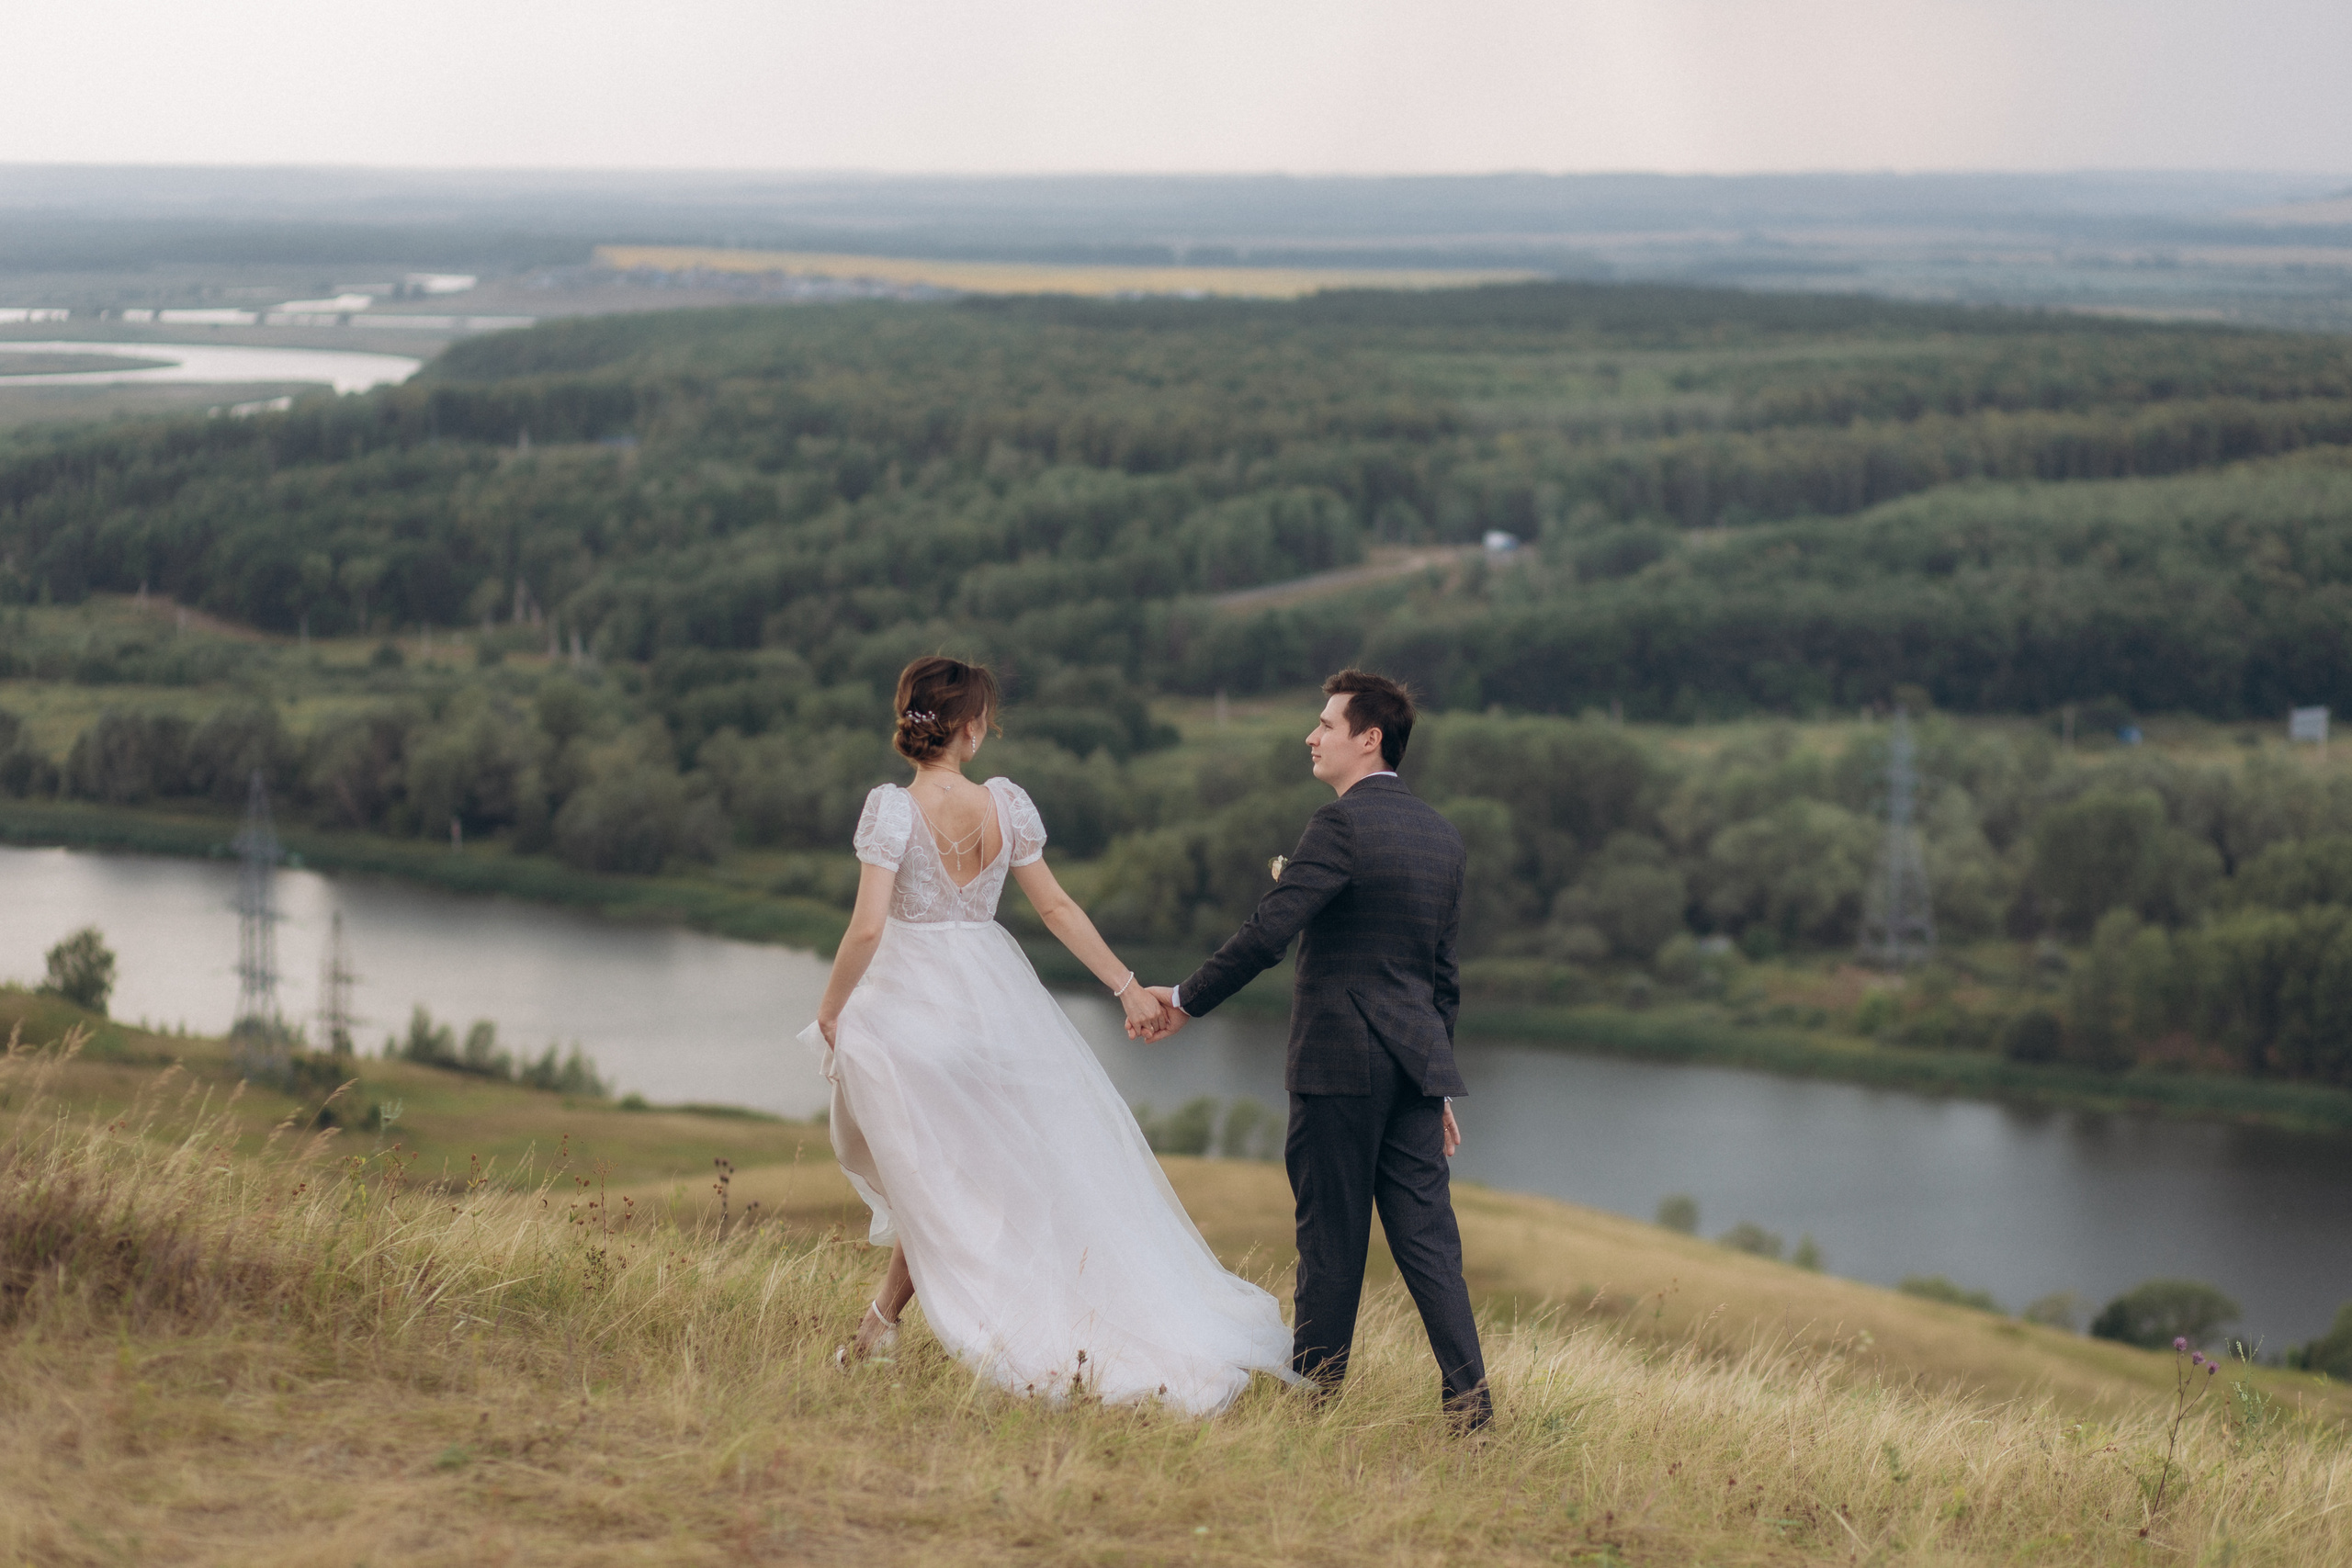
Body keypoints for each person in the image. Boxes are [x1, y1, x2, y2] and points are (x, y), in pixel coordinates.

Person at [805, 655, 1295, 1415]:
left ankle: (912, 1324)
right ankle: (880, 1323)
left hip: (911, 1008)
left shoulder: (890, 809)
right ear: (968, 729)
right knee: (956, 1174)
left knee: (927, 1172)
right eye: (984, 720)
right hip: (995, 1006)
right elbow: (1059, 909)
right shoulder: (1006, 804)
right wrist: (1128, 988)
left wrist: (833, 1007)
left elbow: (869, 926)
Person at [1138, 669, 1491, 1432]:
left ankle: (1314, 1407)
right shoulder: (1442, 835)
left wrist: (1187, 998)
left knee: (1330, 1238)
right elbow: (1442, 978)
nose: (1312, 734)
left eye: (1326, 723)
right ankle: (1471, 1406)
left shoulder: (1340, 826)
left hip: (1340, 1062)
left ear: (1369, 737)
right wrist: (1438, 1085)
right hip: (1412, 1070)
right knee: (1430, 1242)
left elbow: (1270, 931)